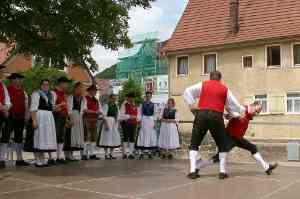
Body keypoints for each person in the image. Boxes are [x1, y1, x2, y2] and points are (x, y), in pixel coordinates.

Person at [183, 71, 245, 179]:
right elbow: (233, 105)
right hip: (216, 116)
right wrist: (239, 113)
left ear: (210, 78)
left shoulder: (203, 84)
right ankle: (222, 172)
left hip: (201, 114)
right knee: (222, 145)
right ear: (220, 79)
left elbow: (187, 91)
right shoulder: (224, 89)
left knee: (194, 144)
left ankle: (193, 171)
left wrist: (192, 105)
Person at [197, 102, 278, 175]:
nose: (256, 114)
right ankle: (197, 168)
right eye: (256, 111)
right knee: (218, 157)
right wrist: (229, 115)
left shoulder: (249, 114)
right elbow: (229, 113)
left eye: (258, 112)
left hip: (238, 139)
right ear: (252, 106)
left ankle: (266, 167)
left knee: (253, 147)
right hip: (229, 138)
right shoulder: (242, 109)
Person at [1, 73, 30, 167]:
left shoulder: (24, 92)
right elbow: (6, 102)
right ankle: (1, 159)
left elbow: (26, 105)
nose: (20, 81)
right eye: (18, 79)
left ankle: (19, 159)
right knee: (5, 138)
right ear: (12, 80)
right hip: (9, 117)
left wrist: (26, 116)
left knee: (19, 139)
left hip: (20, 118)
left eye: (21, 79)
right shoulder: (7, 90)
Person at [30, 79, 57, 167]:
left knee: (45, 138)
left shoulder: (51, 95)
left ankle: (43, 160)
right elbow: (33, 108)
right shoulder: (37, 94)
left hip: (48, 118)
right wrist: (34, 120)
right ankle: (38, 160)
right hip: (40, 117)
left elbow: (51, 108)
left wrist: (58, 107)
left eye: (47, 85)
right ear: (41, 86)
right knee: (39, 137)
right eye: (44, 84)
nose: (46, 86)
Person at [64, 82, 85, 161]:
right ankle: (67, 155)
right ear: (76, 89)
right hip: (72, 116)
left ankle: (71, 155)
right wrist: (70, 118)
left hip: (78, 117)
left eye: (82, 88)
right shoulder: (71, 97)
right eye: (80, 88)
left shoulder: (82, 99)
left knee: (75, 136)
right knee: (69, 136)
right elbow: (69, 109)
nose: (81, 90)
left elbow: (83, 109)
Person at [53, 76, 72, 164]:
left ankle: (59, 156)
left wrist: (68, 118)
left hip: (63, 117)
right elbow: (52, 105)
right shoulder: (54, 92)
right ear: (61, 83)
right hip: (56, 116)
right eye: (66, 83)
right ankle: (53, 157)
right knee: (56, 136)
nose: (67, 85)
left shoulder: (63, 94)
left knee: (61, 137)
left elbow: (66, 107)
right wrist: (58, 107)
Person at [98, 94, 121, 159]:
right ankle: (106, 154)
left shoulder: (116, 106)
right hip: (108, 122)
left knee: (113, 138)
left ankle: (111, 153)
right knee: (106, 138)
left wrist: (118, 124)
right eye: (113, 98)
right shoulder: (106, 106)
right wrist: (106, 124)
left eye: (115, 99)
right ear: (110, 99)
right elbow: (103, 116)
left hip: (114, 123)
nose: (114, 100)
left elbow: (118, 116)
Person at [82, 84, 102, 160]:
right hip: (87, 118)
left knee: (94, 137)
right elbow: (84, 109)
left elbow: (100, 109)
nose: (95, 92)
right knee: (86, 136)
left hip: (94, 120)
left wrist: (100, 113)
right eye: (94, 90)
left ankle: (92, 153)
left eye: (96, 91)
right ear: (89, 91)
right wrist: (95, 112)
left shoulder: (96, 100)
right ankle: (84, 153)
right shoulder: (85, 98)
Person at [136, 91, 157, 159]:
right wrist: (139, 121)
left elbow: (155, 114)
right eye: (147, 96)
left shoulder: (154, 105)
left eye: (149, 96)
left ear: (151, 97)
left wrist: (155, 122)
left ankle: (149, 152)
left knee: (150, 135)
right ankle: (141, 152)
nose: (148, 97)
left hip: (150, 120)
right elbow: (139, 113)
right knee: (143, 134)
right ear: (146, 96)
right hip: (144, 120)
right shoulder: (142, 104)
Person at [119, 93, 138, 160]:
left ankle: (131, 153)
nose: (132, 99)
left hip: (133, 123)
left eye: (133, 98)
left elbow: (137, 113)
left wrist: (136, 117)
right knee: (125, 137)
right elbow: (121, 115)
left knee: (132, 138)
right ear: (128, 98)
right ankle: (124, 153)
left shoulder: (134, 105)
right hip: (126, 123)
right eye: (130, 98)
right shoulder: (124, 104)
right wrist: (130, 116)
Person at [0, 65, 11, 168]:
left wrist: (7, 107)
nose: (3, 74)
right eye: (2, 72)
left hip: (3, 114)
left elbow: (8, 99)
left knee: (4, 137)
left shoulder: (3, 86)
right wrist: (3, 107)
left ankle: (2, 159)